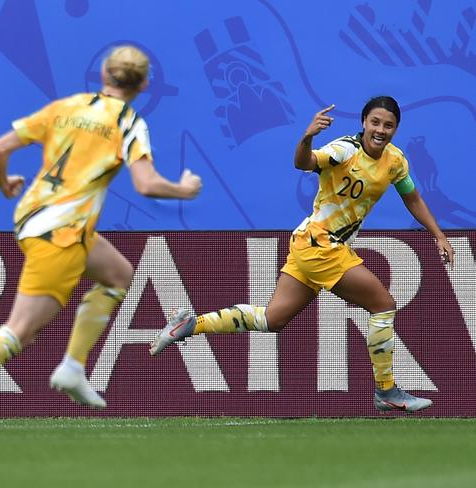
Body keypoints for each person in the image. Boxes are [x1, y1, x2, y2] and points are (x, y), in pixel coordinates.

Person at [0, 45, 202, 441]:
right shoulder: (129, 122)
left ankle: (73, 367)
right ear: (145, 84)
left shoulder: (68, 106)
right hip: (61, 233)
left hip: (33, 216)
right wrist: (184, 191)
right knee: (21, 331)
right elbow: (147, 183)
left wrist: (3, 182)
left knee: (118, 274)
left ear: (104, 75)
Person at [150, 96, 455, 413]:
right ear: (364, 123)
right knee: (383, 304)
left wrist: (438, 234)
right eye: (375, 122)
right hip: (323, 244)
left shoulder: (394, 161)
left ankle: (189, 325)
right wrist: (307, 136)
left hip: (308, 244)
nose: (380, 130)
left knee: (272, 319)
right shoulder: (344, 150)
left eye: (388, 125)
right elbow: (304, 162)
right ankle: (387, 390)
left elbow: (413, 198)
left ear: (395, 129)